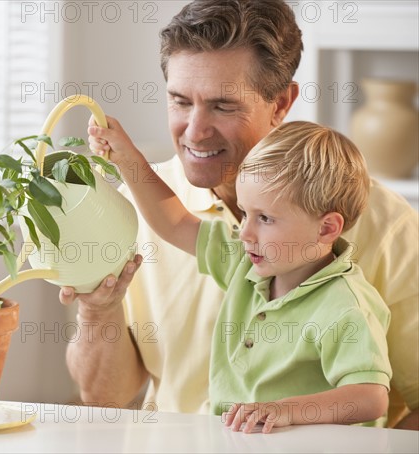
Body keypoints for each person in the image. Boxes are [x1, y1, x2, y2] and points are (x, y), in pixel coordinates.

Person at [59, 0, 418, 430]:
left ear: (281, 102)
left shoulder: (386, 228)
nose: (194, 131)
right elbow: (104, 399)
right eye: (179, 101)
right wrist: (98, 311)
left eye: (223, 106)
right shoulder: (141, 205)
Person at [88, 119, 392, 433]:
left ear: (327, 228)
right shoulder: (245, 262)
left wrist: (284, 411)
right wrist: (126, 157)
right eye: (246, 213)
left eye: (265, 218)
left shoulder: (346, 307)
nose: (245, 232)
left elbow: (370, 397)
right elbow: (175, 222)